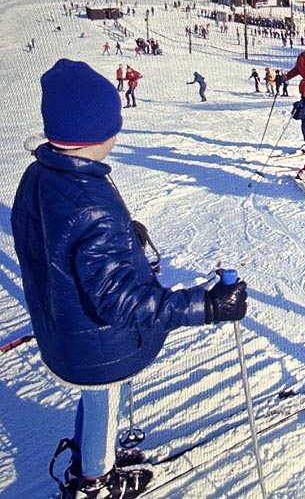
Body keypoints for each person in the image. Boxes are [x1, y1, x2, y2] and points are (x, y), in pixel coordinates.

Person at [10, 59, 248, 498]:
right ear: (95, 135)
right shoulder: (90, 202)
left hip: (66, 331)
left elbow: (54, 241)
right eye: (112, 127)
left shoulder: (43, 173)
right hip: (95, 340)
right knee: (104, 400)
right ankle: (95, 483)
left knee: (93, 397)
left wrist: (119, 236)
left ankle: (89, 462)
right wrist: (208, 305)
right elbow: (123, 302)